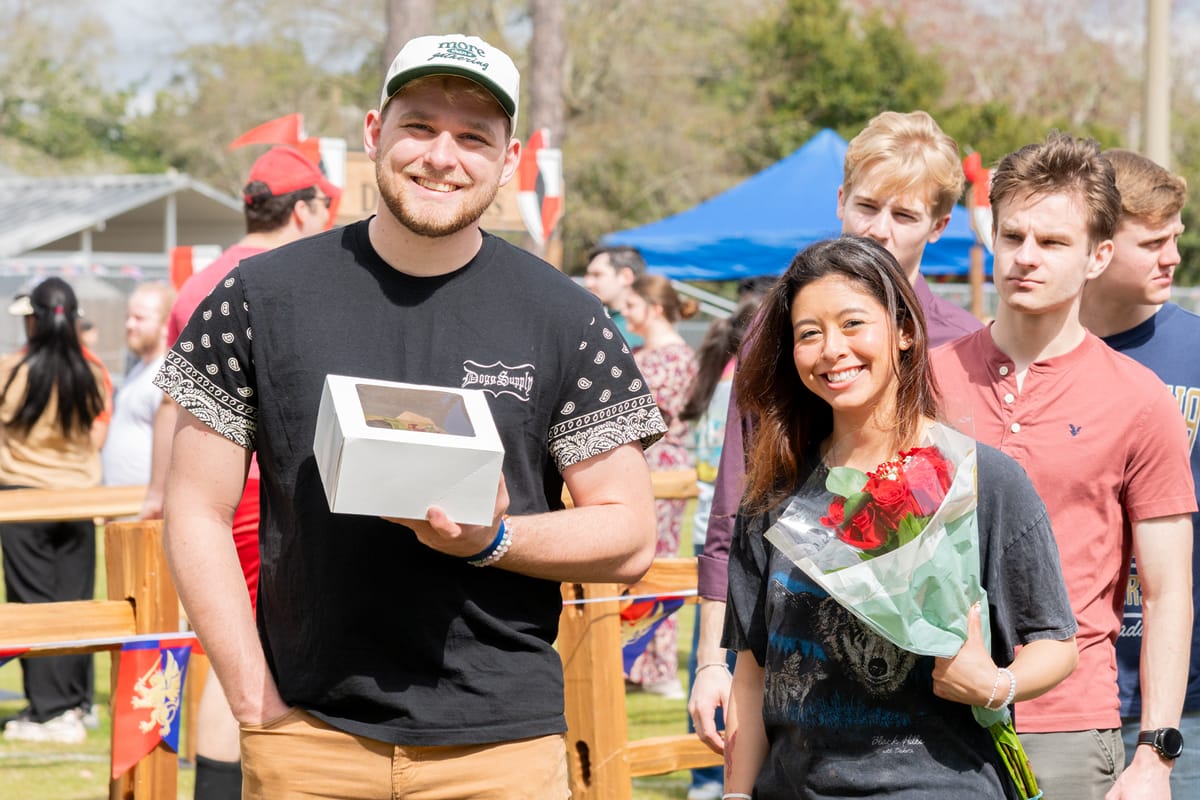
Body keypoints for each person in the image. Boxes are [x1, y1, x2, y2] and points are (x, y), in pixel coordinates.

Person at [153, 33, 665, 799]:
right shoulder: (259, 298)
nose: (441, 156)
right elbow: (194, 507)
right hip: (310, 740)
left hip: (502, 751)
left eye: (473, 137)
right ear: (374, 133)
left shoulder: (567, 316)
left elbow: (629, 534)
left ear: (509, 156)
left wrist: (494, 539)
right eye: (419, 126)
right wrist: (255, 701)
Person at [721, 235, 1078, 798]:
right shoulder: (774, 495)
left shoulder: (980, 480)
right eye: (808, 333)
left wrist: (994, 684)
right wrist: (737, 794)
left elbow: (1056, 643)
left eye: (852, 323)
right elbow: (751, 675)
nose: (831, 349)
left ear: (905, 330)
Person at [689, 110, 983, 752]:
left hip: (922, 679)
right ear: (840, 201)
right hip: (784, 655)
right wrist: (713, 657)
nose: (879, 230)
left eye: (904, 217)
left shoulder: (963, 345)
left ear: (938, 226)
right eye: (867, 206)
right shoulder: (778, 329)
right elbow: (736, 511)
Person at [932, 132, 1195, 800]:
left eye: (1051, 243)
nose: (1025, 258)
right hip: (925, 718)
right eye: (1013, 236)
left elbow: (1168, 594)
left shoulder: (1140, 400)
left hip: (1072, 730)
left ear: (1097, 256)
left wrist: (1155, 756)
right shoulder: (924, 382)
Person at [139, 145, 339, 799]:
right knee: (261, 651)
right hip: (278, 494)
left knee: (230, 649)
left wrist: (160, 492)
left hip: (218, 496)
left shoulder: (201, 282)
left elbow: (174, 399)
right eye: (326, 204)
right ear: (304, 210)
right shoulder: (303, 281)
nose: (330, 217)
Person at [1079, 148, 1199, 797]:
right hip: (1057, 696)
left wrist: (1162, 744)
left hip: (1185, 709)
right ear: (1096, 247)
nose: (1172, 257)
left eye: (1174, 237)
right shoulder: (1036, 357)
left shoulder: (1197, 354)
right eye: (1152, 242)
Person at [1, 278, 112, 744]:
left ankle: (48, 712)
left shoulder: (13, 370)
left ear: (36, 319)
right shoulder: (93, 373)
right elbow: (97, 435)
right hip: (79, 502)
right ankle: (75, 705)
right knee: (76, 605)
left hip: (23, 502)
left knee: (33, 606)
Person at [677, 296, 763, 800]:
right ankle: (715, 778)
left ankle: (710, 781)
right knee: (728, 661)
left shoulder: (719, 378)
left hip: (714, 515)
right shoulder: (742, 379)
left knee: (722, 658)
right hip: (729, 525)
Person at [622, 274, 699, 699]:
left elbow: (644, 409)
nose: (625, 314)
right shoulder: (636, 352)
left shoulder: (675, 358)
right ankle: (631, 662)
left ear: (653, 308)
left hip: (663, 468)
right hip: (636, 466)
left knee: (661, 562)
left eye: (632, 306)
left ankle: (661, 666)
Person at [100, 281, 174, 487]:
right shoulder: (139, 370)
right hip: (123, 502)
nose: (129, 325)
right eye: (128, 317)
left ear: (166, 324)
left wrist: (157, 495)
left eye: (139, 318)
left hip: (145, 506)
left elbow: (171, 445)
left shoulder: (168, 374)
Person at [584, 244, 647, 346]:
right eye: (588, 275)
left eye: (597, 274)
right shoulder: (593, 322)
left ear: (626, 277)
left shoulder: (649, 327)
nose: (588, 283)